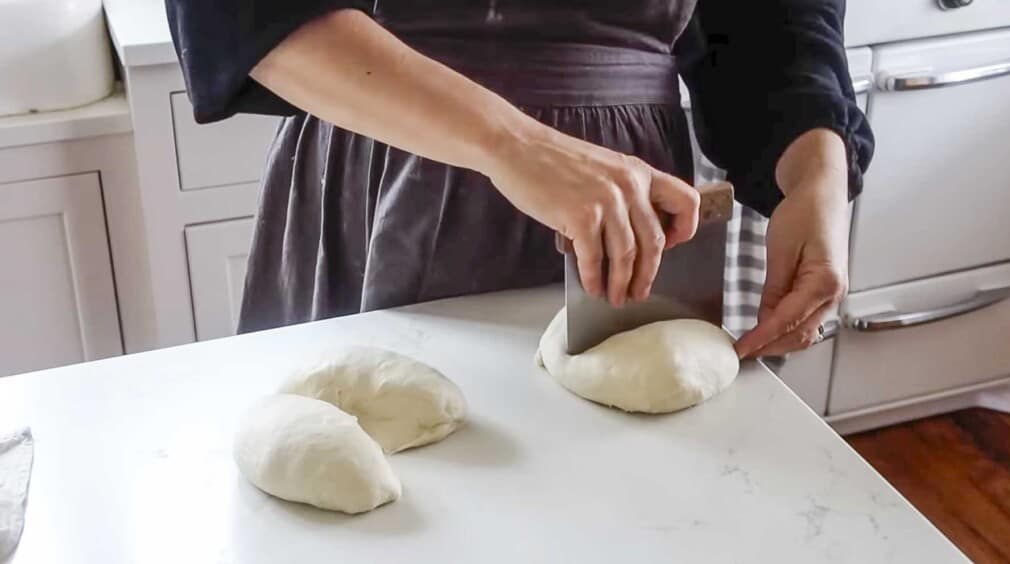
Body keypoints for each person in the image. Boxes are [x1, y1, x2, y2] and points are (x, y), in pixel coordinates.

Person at [165, 0, 873, 359]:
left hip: (633, 196)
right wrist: (512, 143)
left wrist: (814, 165)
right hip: (393, 158)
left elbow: (772, 22)